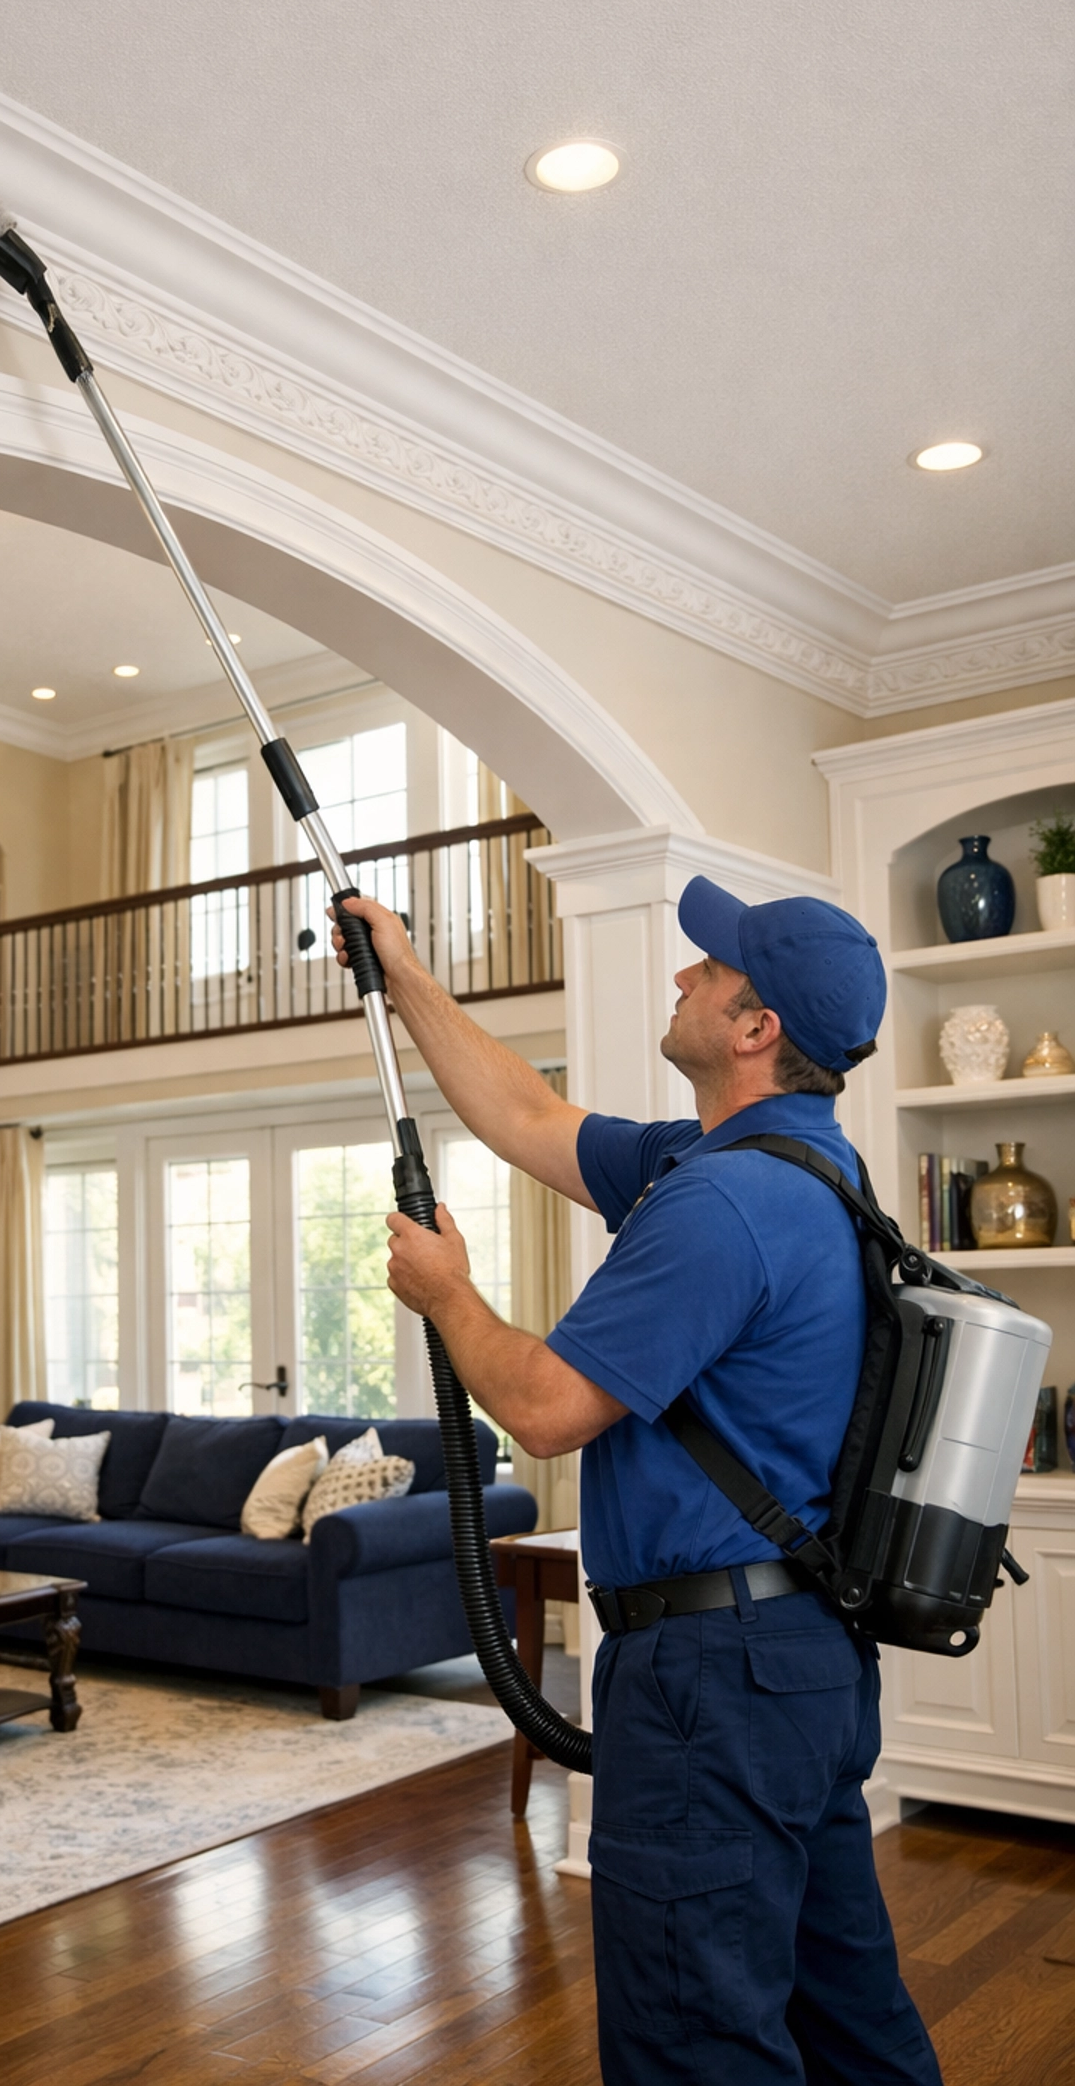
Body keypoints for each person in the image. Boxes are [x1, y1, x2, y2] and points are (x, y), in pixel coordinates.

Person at [333, 874, 942, 2086]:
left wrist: (449, 1295)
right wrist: (403, 977)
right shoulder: (792, 1166)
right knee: (845, 2012)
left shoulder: (723, 1200)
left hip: (715, 1680)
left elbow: (550, 1410)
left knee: (693, 2033)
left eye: (708, 971)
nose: (682, 976)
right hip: (801, 1660)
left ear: (754, 1029)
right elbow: (529, 1117)